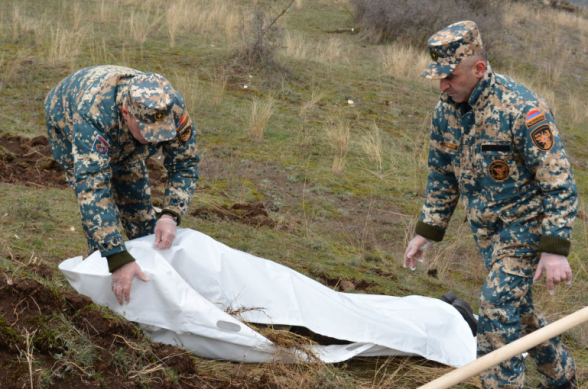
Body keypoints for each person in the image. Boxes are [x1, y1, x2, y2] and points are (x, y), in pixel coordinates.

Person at [403, 21, 578, 389]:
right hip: (487, 231)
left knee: (496, 308)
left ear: (479, 69)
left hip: (527, 225)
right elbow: (441, 173)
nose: (443, 85)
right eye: (439, 77)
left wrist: (555, 249)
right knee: (519, 310)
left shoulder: (523, 110)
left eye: (450, 76)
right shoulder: (446, 110)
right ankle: (561, 376)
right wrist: (427, 232)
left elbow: (559, 181)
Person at [45, 65, 199, 306]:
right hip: (66, 115)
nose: (155, 139)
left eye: (161, 132)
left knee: (141, 216)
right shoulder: (93, 115)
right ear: (127, 113)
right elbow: (93, 188)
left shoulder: (171, 107)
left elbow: (185, 165)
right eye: (148, 131)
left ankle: (151, 287)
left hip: (122, 135)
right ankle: (102, 292)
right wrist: (116, 257)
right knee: (103, 239)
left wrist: (170, 214)